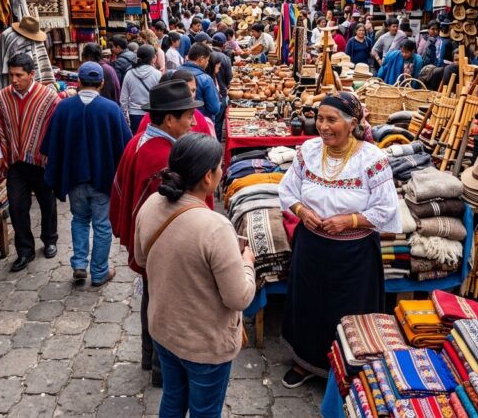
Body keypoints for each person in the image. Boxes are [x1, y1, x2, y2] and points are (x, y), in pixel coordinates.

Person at [278, 93, 400, 387]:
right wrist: (301, 211)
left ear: (352, 123)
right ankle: (307, 362)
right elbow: (287, 191)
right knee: (309, 304)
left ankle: (349, 371)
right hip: (311, 246)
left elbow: (387, 210)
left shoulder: (372, 159)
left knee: (348, 310)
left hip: (354, 253)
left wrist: (349, 220)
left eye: (331, 120)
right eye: (320, 118)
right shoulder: (308, 151)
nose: (323, 126)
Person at [135, 134, 256, 417]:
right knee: (204, 411)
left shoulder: (153, 203)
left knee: (173, 398)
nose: (222, 171)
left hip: (165, 330)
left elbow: (142, 260)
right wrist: (247, 262)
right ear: (207, 177)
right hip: (205, 344)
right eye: (220, 166)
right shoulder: (215, 227)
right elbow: (239, 297)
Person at [110, 80, 206, 384]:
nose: (193, 122)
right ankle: (161, 371)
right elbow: (168, 213)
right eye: (188, 116)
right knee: (164, 305)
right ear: (169, 119)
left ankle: (148, 357)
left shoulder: (140, 141)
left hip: (145, 241)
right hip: (158, 247)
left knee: (152, 298)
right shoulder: (162, 156)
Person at [41, 62, 132, 284]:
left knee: (79, 219)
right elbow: (126, 146)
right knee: (102, 224)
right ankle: (99, 271)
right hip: (103, 179)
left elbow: (50, 146)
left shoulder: (64, 108)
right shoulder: (111, 109)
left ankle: (80, 263)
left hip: (74, 178)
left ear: (79, 82)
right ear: (102, 83)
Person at [0, 53, 60, 272]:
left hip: (41, 160)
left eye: (19, 75)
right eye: (11, 75)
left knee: (48, 203)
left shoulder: (48, 97)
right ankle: (24, 251)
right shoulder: (2, 97)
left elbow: (56, 129)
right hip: (15, 161)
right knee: (17, 206)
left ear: (32, 74)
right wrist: (0, 155)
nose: (14, 80)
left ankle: (50, 240)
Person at [137, 71, 214, 136]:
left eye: (193, 90)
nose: (191, 95)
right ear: (169, 119)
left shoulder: (199, 117)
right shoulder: (151, 117)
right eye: (186, 91)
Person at [121, 45, 162, 134]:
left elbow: (123, 99)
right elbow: (161, 98)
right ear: (153, 58)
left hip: (134, 115)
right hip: (152, 114)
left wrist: (125, 117)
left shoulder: (129, 74)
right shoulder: (158, 74)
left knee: (136, 141)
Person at [183, 43, 221, 120]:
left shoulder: (174, 73)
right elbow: (215, 108)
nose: (207, 64)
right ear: (201, 59)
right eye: (207, 61)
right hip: (200, 122)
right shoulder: (205, 79)